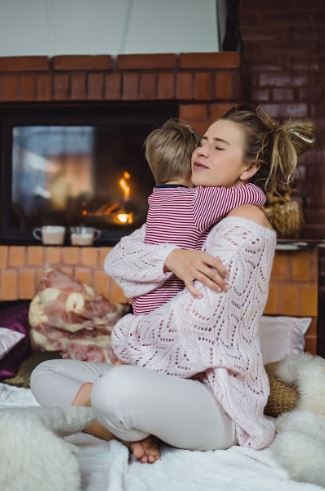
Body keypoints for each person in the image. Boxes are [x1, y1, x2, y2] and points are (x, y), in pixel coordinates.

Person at [30, 105, 314, 465]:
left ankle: (113, 416)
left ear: (248, 168)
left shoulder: (245, 223)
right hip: (162, 380)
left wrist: (126, 335)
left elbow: (197, 321)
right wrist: (171, 257)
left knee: (115, 388)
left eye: (219, 146)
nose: (202, 151)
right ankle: (125, 427)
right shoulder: (183, 207)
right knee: (47, 373)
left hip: (214, 400)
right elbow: (119, 258)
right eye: (204, 141)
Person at [133, 119, 266, 315]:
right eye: (202, 147)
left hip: (143, 304)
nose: (204, 153)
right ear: (192, 166)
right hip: (168, 307)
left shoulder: (156, 199)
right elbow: (256, 195)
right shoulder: (198, 200)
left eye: (217, 147)